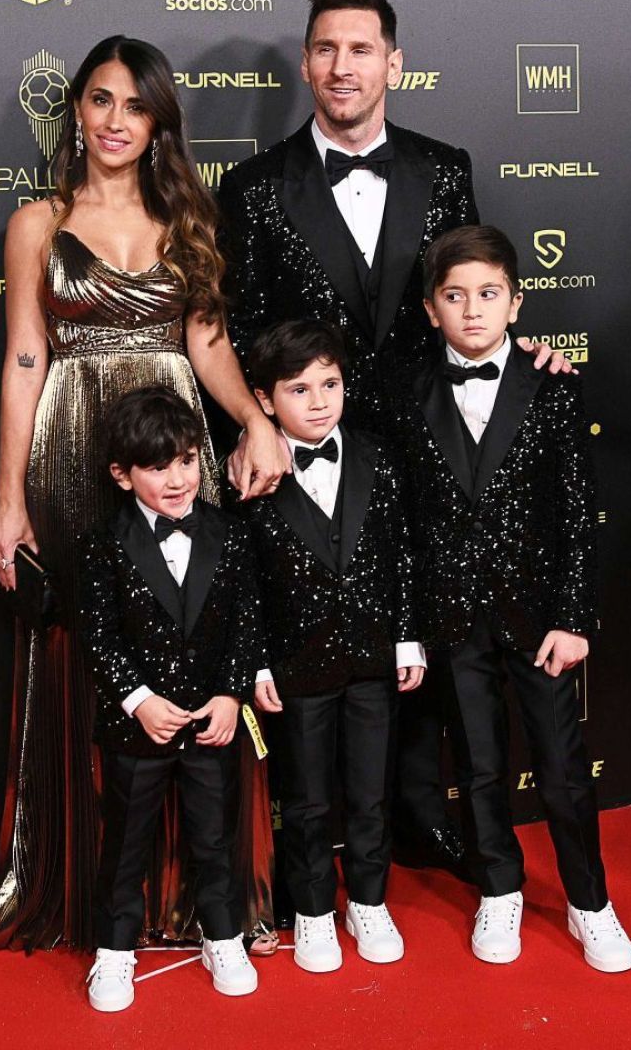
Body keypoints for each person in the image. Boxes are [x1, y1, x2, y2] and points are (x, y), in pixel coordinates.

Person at [220, 0, 571, 876]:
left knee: (425, 632)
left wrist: (530, 360)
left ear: (394, 62)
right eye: (327, 49)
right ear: (305, 63)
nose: (344, 67)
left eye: (363, 48)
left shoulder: (443, 166)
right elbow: (243, 322)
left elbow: (467, 291)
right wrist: (259, 423)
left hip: (428, 447)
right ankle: (319, 838)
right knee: (317, 632)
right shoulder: (255, 188)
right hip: (307, 446)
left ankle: (420, 818)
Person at [0, 35, 286, 953]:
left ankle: (201, 893)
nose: (116, 121)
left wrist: (255, 421)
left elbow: (208, 345)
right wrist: (8, 495)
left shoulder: (190, 218)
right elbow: (25, 357)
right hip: (70, 447)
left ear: (159, 123)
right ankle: (87, 885)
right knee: (84, 651)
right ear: (78, 111)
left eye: (136, 107)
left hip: (172, 428)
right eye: (101, 101)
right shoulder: (36, 224)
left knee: (188, 631)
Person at [403, 224, 631, 971]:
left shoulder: (553, 387)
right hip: (453, 615)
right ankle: (499, 890)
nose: (473, 311)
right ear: (433, 307)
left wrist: (573, 617)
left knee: (564, 769)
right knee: (476, 764)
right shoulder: (405, 389)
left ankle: (589, 901)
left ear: (516, 302)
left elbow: (577, 509)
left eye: (489, 294)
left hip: (540, 617)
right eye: (455, 296)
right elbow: (400, 517)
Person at [247, 319, 423, 973]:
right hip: (298, 665)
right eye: (299, 389)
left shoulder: (379, 454)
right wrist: (257, 659)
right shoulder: (252, 473)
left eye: (330, 384)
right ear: (266, 400)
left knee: (371, 791)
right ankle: (316, 911)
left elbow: (402, 553)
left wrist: (407, 636)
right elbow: (243, 582)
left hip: (375, 659)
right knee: (307, 797)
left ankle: (369, 902)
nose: (319, 401)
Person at [81, 386, 261, 1010]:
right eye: (158, 468)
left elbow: (247, 625)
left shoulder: (229, 534)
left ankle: (224, 935)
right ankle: (114, 952)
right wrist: (138, 699)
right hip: (139, 729)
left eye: (187, 460)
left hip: (212, 723)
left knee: (215, 838)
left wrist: (232, 696)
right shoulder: (104, 543)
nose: (178, 478)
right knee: (126, 843)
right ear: (122, 475)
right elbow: (97, 636)